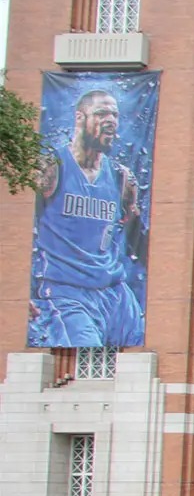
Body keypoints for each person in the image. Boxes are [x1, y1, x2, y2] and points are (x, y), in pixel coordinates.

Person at [30, 87, 149, 349]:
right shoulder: (52, 167)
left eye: (115, 114)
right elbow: (19, 228)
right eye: (102, 113)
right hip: (67, 291)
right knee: (86, 357)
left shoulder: (121, 178)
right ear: (80, 117)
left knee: (149, 351)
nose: (111, 120)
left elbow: (138, 240)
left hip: (115, 292)